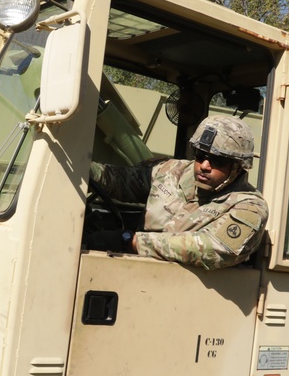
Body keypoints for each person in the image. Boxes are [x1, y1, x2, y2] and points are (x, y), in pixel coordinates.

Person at [85, 114, 268, 270]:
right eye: (200, 155)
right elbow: (123, 182)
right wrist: (84, 170)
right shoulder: (173, 171)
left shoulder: (249, 207)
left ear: (237, 166)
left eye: (217, 161)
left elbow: (213, 249)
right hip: (133, 271)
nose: (204, 166)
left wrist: (131, 242)